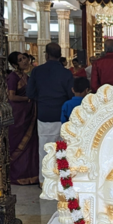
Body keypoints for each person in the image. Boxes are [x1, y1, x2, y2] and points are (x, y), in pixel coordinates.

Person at [26, 42, 74, 183]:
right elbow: (71, 95)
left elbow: (30, 93)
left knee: (45, 149)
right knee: (62, 149)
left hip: (44, 114)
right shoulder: (66, 73)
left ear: (46, 55)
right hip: (62, 116)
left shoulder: (37, 71)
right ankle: (62, 180)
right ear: (60, 56)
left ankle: (45, 181)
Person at [6, 51, 39, 185]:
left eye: (24, 58)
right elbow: (11, 96)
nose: (24, 61)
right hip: (18, 114)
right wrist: (28, 98)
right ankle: (17, 175)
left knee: (30, 145)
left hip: (28, 113)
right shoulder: (13, 77)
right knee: (18, 144)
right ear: (14, 64)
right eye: (20, 60)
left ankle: (30, 174)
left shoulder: (26, 76)